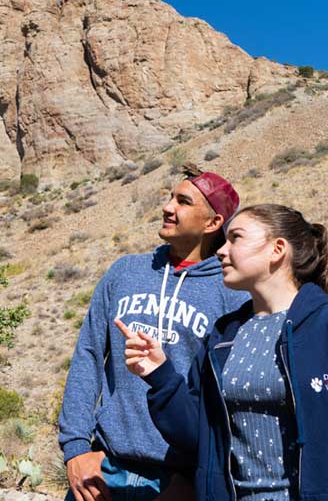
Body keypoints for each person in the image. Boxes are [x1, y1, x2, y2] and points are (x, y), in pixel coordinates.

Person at [117, 204, 328, 501]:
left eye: (235, 238)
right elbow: (200, 440)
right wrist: (160, 374)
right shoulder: (222, 339)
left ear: (277, 250)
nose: (221, 251)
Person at [58, 169, 250, 501]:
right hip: (103, 470)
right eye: (170, 197)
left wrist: (194, 477)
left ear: (212, 222)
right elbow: (88, 356)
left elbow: (231, 398)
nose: (167, 207)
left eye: (183, 201)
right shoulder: (125, 272)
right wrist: (75, 449)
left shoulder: (230, 293)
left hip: (176, 483)